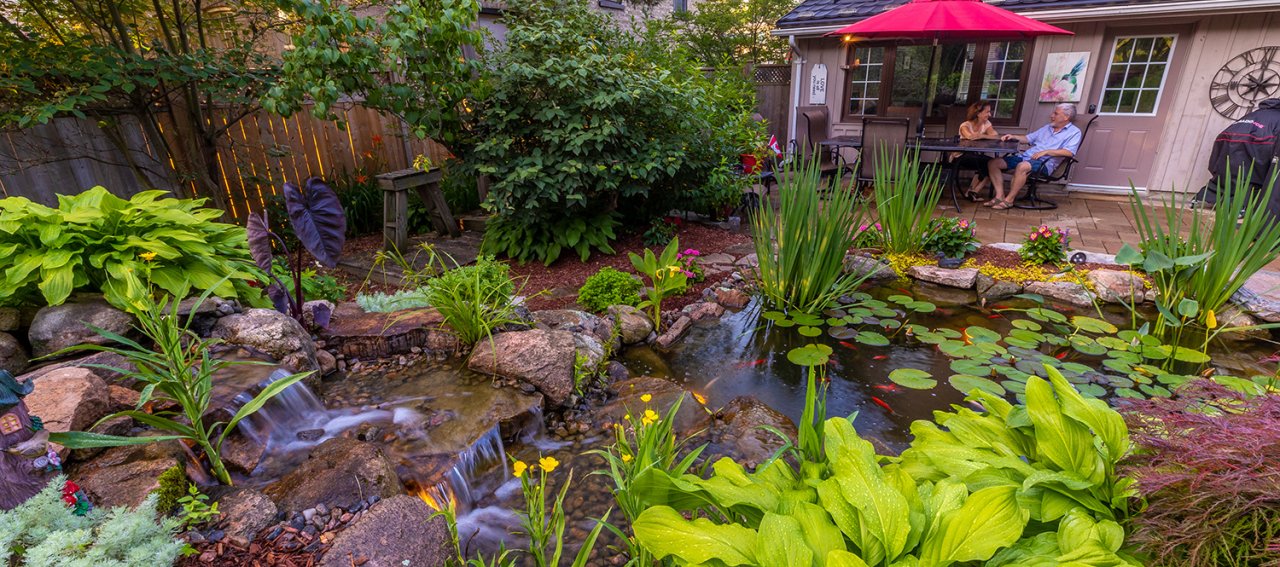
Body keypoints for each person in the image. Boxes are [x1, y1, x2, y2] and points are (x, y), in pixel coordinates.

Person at [984, 103, 1082, 210]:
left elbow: (1069, 152)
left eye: (1056, 113)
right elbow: (1028, 138)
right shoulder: (1047, 128)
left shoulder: (1074, 132)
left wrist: (1047, 152)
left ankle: (1009, 200)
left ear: (1066, 117)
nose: (1051, 115)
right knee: (994, 163)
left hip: (1044, 164)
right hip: (1026, 157)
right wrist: (1013, 136)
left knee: (1022, 166)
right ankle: (999, 196)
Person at [954, 101, 1000, 201]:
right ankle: (972, 192)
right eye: (987, 112)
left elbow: (996, 136)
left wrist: (983, 135)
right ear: (978, 113)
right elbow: (970, 137)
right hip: (961, 156)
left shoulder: (986, 124)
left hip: (975, 155)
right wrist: (985, 136)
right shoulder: (965, 125)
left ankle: (973, 192)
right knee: (988, 163)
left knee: (992, 163)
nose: (990, 115)